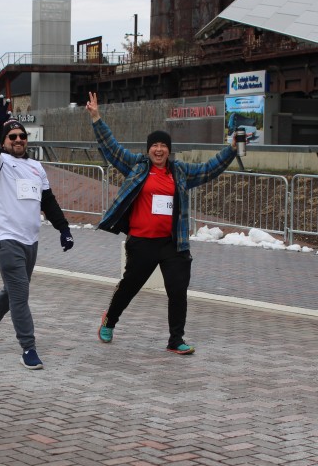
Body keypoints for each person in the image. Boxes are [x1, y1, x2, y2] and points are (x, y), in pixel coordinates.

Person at [86, 92, 238, 355]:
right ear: (148, 149)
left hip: (172, 243)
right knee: (130, 287)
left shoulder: (180, 172)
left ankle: (175, 339)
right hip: (142, 242)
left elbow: (209, 169)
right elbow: (111, 149)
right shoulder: (137, 166)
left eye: (163, 146)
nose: (159, 150)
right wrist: (97, 118)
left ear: (169, 150)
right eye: (154, 145)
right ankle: (109, 320)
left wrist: (232, 149)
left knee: (178, 291)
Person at [0, 95, 74, 370]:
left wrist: (63, 228)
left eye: (22, 136)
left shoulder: (36, 167)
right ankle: (28, 348)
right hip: (4, 238)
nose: (18, 140)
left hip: (30, 240)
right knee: (19, 295)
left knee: (13, 290)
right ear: (4, 141)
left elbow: (48, 201)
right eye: (12, 136)